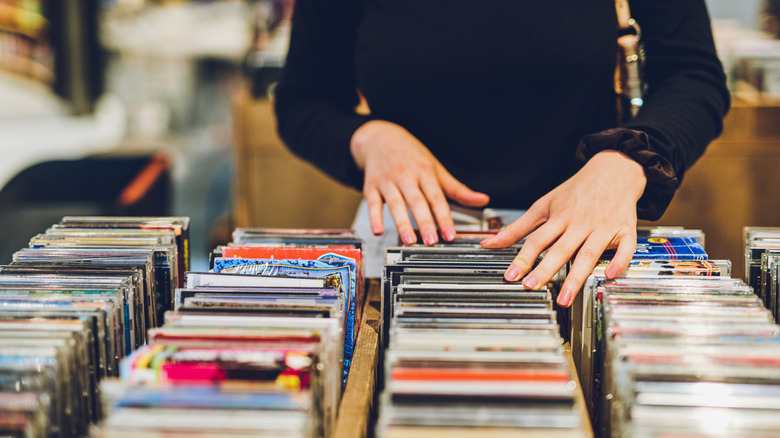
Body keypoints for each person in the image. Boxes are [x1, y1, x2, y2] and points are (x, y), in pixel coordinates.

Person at [273, 0, 730, 308]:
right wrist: (368, 138)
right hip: (406, 245)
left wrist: (628, 158)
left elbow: (693, 76)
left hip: (586, 242)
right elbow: (303, 100)